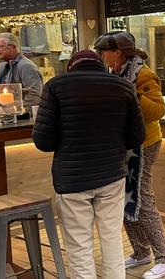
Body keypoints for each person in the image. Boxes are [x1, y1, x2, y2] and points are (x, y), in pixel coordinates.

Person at [32, 50, 145, 279]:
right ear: (100, 64)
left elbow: (43, 141)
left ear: (72, 66)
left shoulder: (55, 86)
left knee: (79, 246)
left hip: (72, 179)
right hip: (112, 175)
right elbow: (136, 137)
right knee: (112, 239)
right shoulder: (122, 87)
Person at [94, 31, 165, 279]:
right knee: (125, 197)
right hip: (125, 144)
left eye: (103, 51)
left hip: (145, 144)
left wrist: (132, 93)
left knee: (142, 196)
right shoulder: (114, 74)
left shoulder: (143, 74)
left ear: (117, 52)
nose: (100, 56)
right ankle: (141, 251)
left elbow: (158, 110)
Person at [0, 32, 43, 107]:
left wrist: (21, 110)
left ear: (13, 48)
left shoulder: (26, 66)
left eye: (1, 46)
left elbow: (34, 94)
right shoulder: (3, 66)